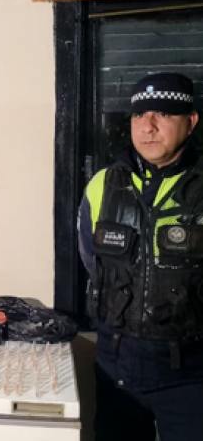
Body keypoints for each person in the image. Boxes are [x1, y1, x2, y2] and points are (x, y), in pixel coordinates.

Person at [78, 73, 203, 441]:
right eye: (139, 115)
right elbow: (91, 260)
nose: (148, 126)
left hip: (190, 375)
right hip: (115, 367)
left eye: (163, 113)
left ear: (191, 121)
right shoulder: (103, 185)